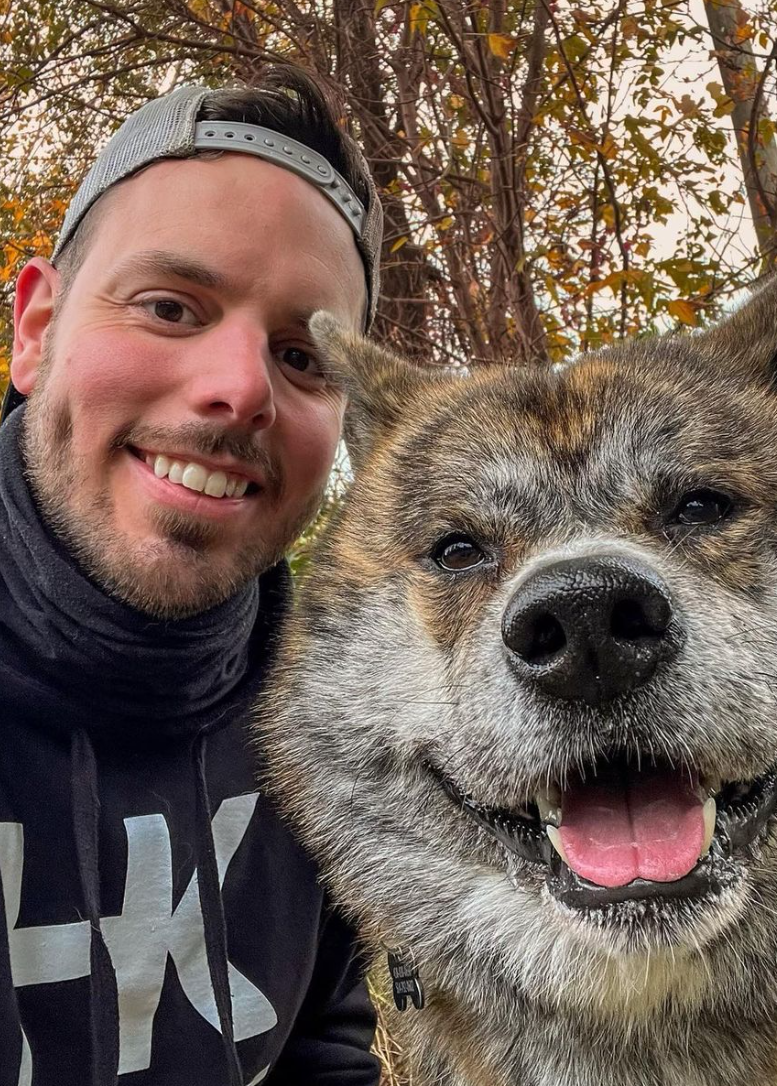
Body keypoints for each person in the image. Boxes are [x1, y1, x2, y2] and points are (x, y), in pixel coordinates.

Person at [0, 67, 383, 1085]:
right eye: (171, 306)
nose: (239, 388)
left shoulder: (333, 722)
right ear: (34, 328)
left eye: (303, 358)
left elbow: (323, 1043)